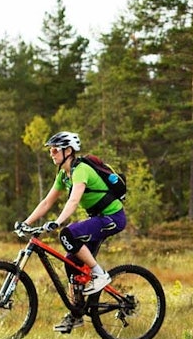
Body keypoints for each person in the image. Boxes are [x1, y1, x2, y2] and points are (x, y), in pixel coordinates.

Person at [19, 132, 126, 324]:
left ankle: (99, 274)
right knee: (71, 262)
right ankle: (77, 313)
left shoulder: (81, 170)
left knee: (68, 233)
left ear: (68, 151)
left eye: (54, 150)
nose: (51, 153)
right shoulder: (63, 175)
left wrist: (58, 222)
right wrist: (26, 223)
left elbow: (74, 200)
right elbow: (46, 202)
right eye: (50, 150)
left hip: (113, 217)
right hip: (98, 217)